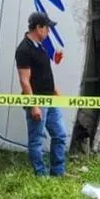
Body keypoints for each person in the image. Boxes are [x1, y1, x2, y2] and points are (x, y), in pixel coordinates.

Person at [15, 12, 66, 176]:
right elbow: (25, 80)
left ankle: (58, 172)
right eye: (47, 28)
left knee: (60, 135)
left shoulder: (41, 46)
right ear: (38, 28)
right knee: (37, 140)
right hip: (38, 101)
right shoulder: (24, 49)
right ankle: (41, 175)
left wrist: (55, 90)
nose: (48, 32)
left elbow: (45, 71)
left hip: (50, 99)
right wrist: (33, 105)